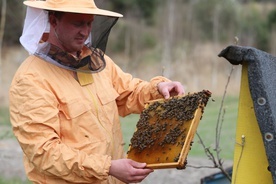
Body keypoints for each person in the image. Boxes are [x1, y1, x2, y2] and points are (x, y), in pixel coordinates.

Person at [9, 0, 185, 183]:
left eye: (89, 23)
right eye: (77, 23)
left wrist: (157, 89)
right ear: (53, 21)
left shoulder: (95, 62)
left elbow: (128, 93)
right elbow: (43, 152)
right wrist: (108, 167)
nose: (85, 32)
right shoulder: (31, 79)